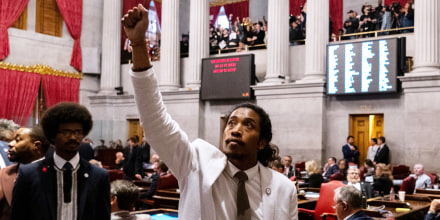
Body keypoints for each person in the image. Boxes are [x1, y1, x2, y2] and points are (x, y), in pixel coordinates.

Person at [122, 4, 298, 219]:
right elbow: (154, 121)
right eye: (231, 123)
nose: (235, 130)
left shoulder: (283, 188)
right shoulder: (196, 163)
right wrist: (139, 44)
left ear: (262, 142)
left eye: (248, 125)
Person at [11, 102, 111, 220]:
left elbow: (103, 216)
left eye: (78, 132)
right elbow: (18, 215)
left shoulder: (99, 175)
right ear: (52, 136)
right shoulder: (29, 174)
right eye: (66, 132)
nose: (73, 137)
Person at [0, 126, 50, 220]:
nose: (10, 144)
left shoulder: (55, 175)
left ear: (36, 145)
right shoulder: (3, 174)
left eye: (18, 140)